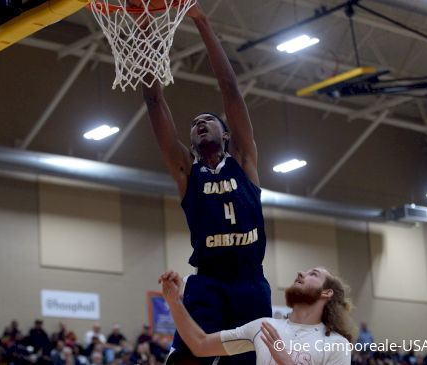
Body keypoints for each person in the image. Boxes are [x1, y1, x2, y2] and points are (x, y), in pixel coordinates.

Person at [141, 3, 271, 364]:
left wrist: (201, 21)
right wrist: (148, 31)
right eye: (194, 124)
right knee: (186, 359)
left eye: (208, 121)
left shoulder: (244, 162)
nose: (200, 124)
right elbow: (154, 100)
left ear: (226, 134)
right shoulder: (187, 173)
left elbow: (230, 89)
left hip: (251, 283)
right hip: (208, 282)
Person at [159, 267, 355, 365]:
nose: (301, 273)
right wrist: (174, 301)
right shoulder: (263, 326)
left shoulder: (337, 344)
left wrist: (286, 361)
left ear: (326, 293)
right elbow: (200, 344)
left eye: (313, 274)